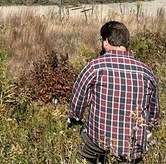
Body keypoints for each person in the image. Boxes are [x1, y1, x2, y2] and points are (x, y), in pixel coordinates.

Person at [67, 20, 160, 163]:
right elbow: (154, 115)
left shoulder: (95, 67)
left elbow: (77, 101)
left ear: (105, 41)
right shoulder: (147, 72)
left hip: (99, 143)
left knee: (80, 156)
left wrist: (74, 118)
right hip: (133, 148)